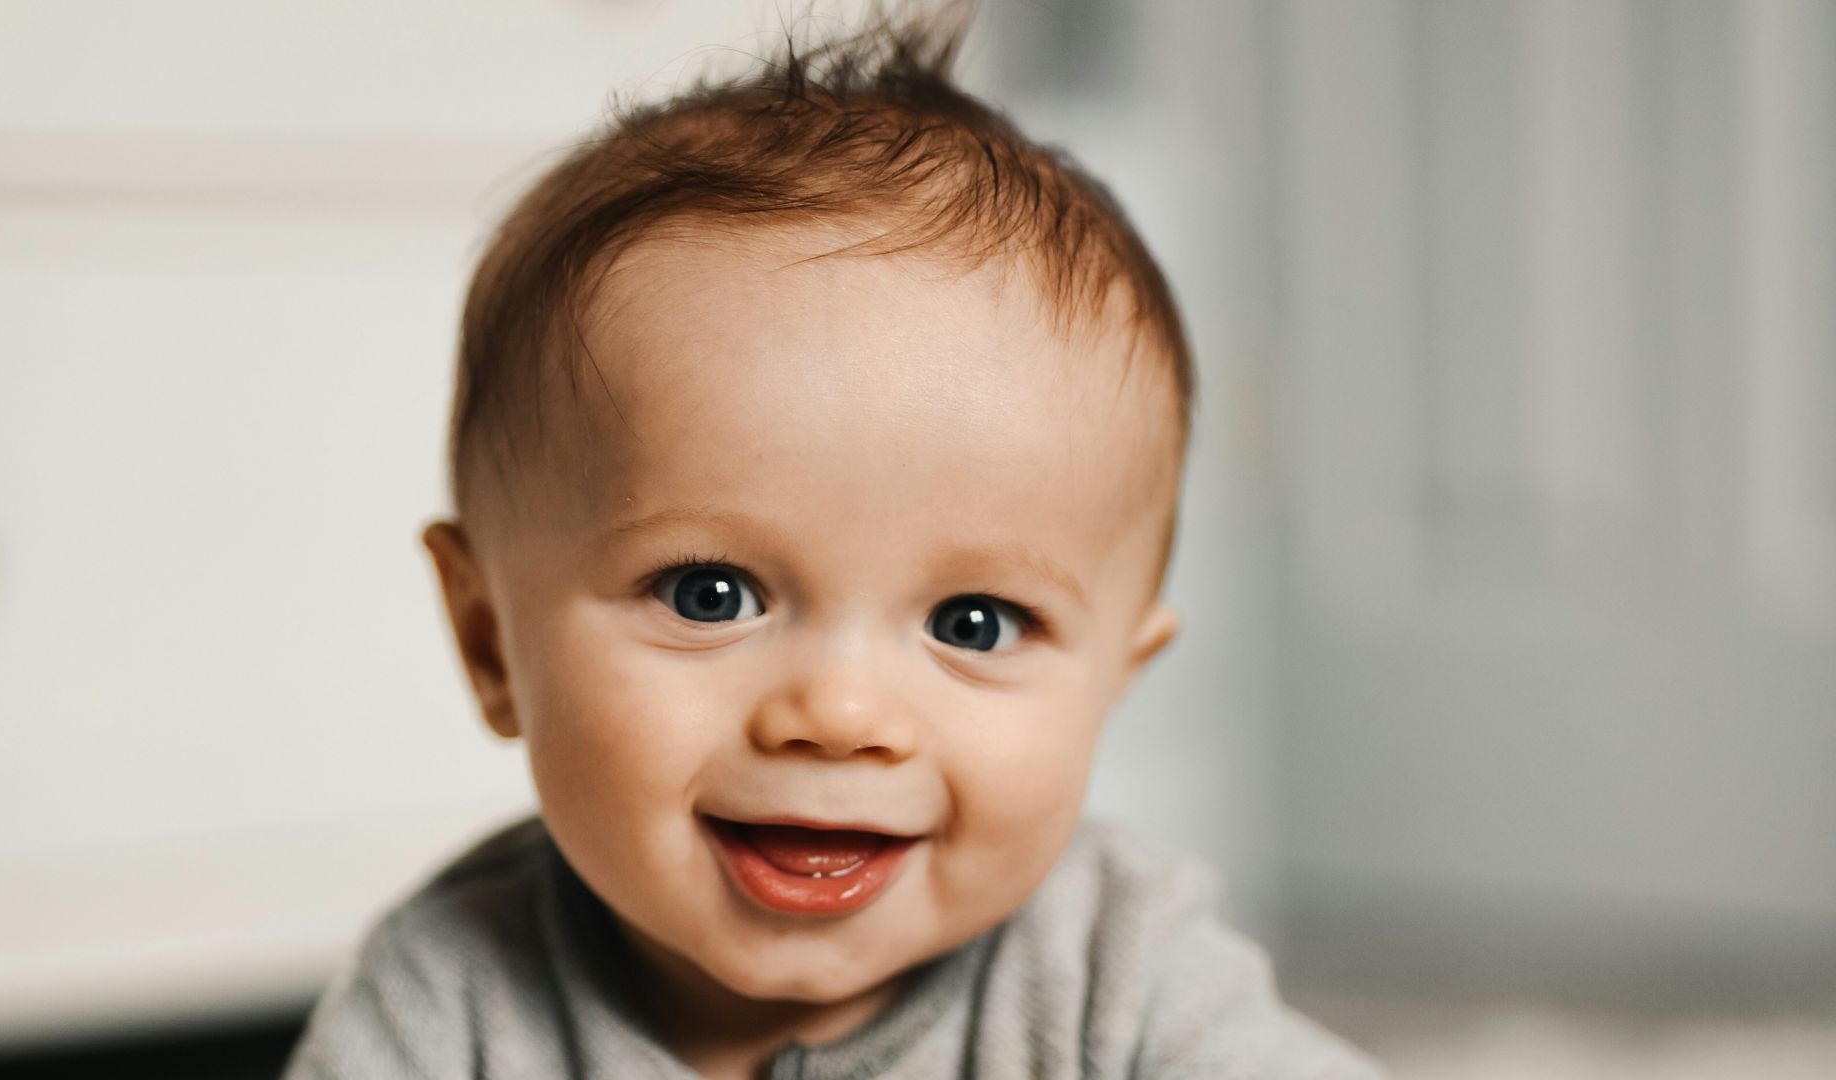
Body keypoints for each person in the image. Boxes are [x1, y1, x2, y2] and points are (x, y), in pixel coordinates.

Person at [285, 8, 1383, 1079]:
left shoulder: (1119, 970)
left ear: (1110, 684)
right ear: (488, 642)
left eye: (974, 623)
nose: (842, 717)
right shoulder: (448, 997)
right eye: (710, 594)